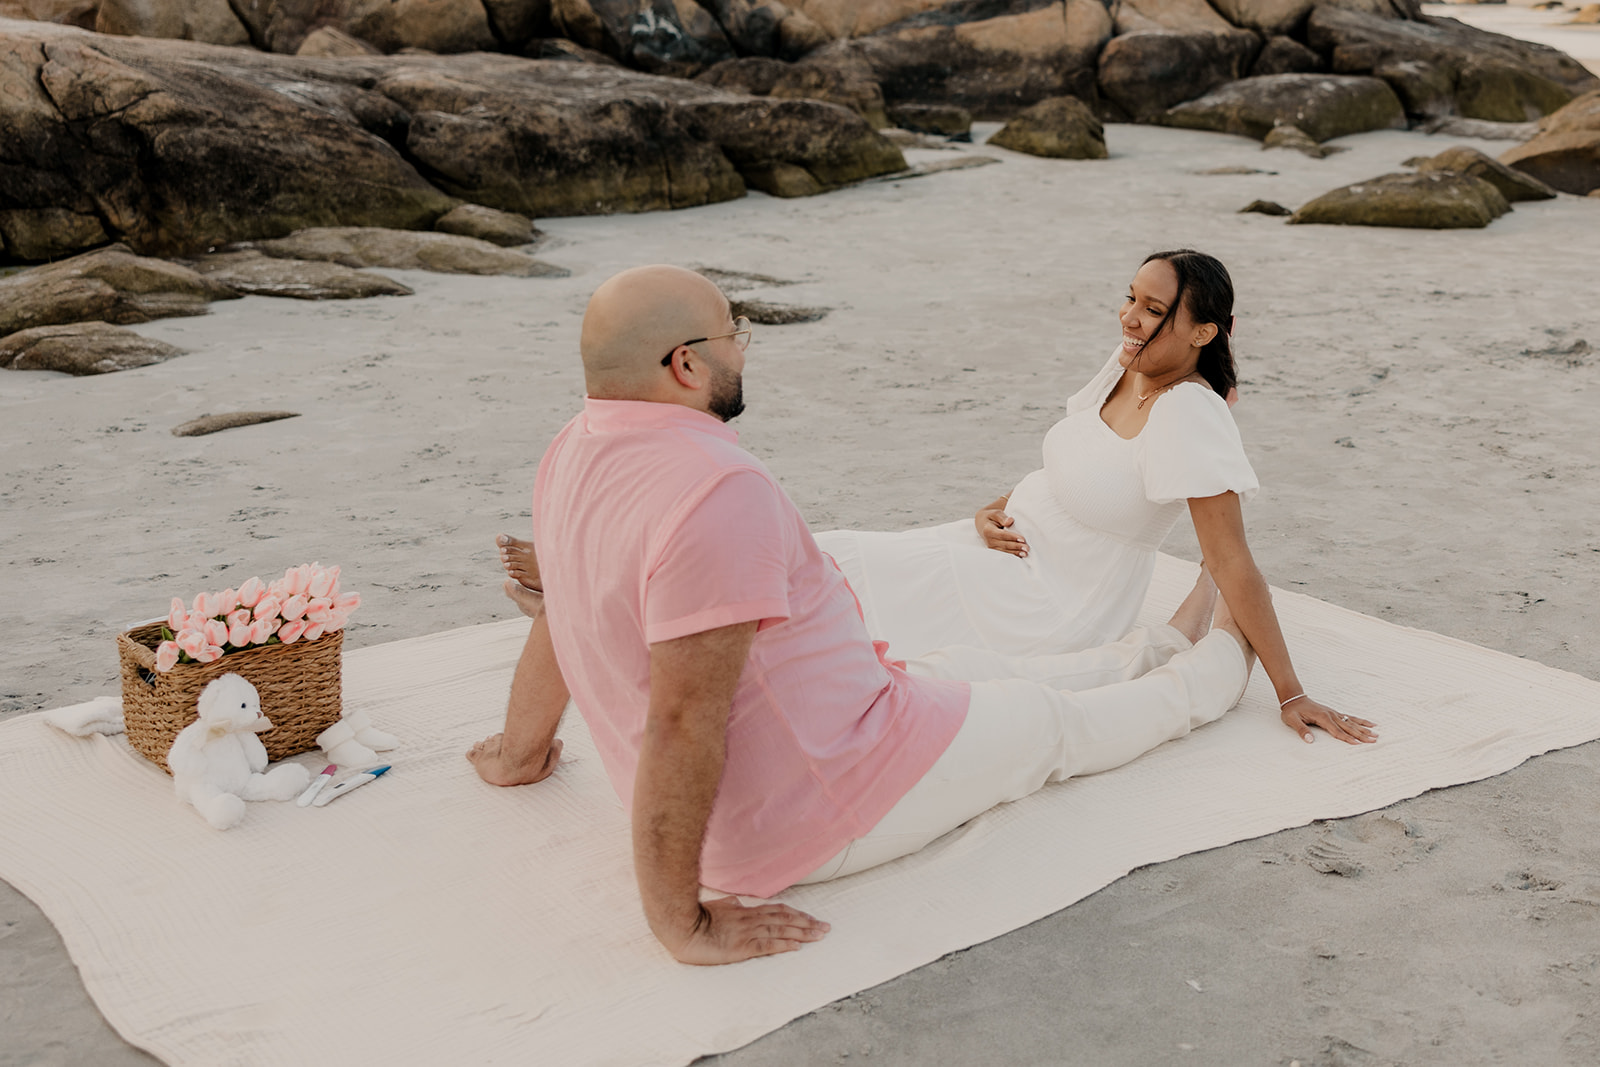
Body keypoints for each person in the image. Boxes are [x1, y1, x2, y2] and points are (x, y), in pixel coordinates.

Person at [472, 264, 1257, 966]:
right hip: (827, 794)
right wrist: (681, 923)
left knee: (979, 671)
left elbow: (563, 610)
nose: (744, 349)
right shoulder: (719, 489)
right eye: (733, 335)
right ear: (686, 364)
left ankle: (1157, 644)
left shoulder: (572, 448)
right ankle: (1217, 668)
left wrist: (519, 751)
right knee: (1050, 725)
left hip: (859, 713)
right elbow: (684, 717)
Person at [813, 250, 1376, 746]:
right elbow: (1077, 460)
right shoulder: (1131, 359)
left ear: (1203, 333)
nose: (1130, 318)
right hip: (997, 548)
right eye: (1131, 298)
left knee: (847, 600)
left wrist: (1291, 694)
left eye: (1154, 311)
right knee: (829, 556)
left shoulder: (1186, 411)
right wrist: (990, 509)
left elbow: (1234, 560)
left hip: (1053, 597)